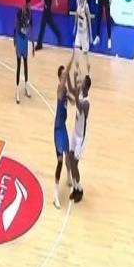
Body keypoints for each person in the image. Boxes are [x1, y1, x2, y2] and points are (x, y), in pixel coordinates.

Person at [53, 53, 74, 209]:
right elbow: (67, 71)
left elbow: (69, 99)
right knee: (60, 161)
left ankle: (69, 177)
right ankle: (55, 195)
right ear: (60, 77)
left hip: (63, 126)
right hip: (58, 129)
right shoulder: (60, 88)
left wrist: (73, 100)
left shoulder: (64, 90)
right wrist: (72, 57)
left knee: (68, 153)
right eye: (63, 75)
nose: (65, 77)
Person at [67, 70, 91, 204]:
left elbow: (78, 104)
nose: (81, 85)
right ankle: (75, 188)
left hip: (81, 138)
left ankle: (80, 189)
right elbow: (71, 89)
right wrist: (70, 77)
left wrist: (76, 89)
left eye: (82, 84)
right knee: (70, 160)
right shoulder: (80, 93)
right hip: (75, 133)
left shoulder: (87, 103)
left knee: (75, 164)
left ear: (86, 87)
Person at [13, 0, 34, 104]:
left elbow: (31, 29)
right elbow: (15, 24)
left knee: (25, 63)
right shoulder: (20, 11)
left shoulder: (30, 14)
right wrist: (14, 39)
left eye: (31, 4)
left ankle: (26, 85)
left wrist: (33, 45)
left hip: (25, 39)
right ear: (26, 4)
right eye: (29, 4)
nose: (30, 6)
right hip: (19, 38)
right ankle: (17, 90)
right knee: (19, 64)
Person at [73, 0, 92, 73]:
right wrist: (74, 26)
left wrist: (90, 35)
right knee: (76, 53)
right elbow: (76, 14)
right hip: (78, 33)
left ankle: (88, 74)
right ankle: (78, 71)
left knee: (85, 57)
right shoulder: (77, 1)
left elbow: (89, 20)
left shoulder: (86, 6)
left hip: (85, 35)